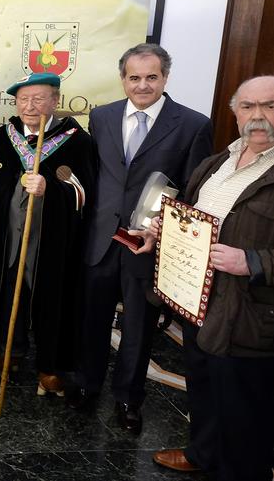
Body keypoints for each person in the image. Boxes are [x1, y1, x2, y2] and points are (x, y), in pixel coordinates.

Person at [66, 44, 213, 434]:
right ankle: (86, 383)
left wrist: (162, 230)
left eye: (151, 77)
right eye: (134, 77)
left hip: (150, 244)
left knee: (139, 326)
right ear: (123, 79)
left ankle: (129, 398)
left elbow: (195, 190)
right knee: (92, 318)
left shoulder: (193, 124)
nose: (142, 85)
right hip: (101, 238)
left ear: (165, 78)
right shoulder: (102, 116)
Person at [149, 76, 274, 481]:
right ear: (235, 112)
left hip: (249, 312)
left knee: (242, 411)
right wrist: (157, 233)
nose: (258, 117)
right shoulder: (218, 161)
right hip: (197, 298)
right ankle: (202, 453)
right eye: (248, 107)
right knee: (203, 386)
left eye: (270, 106)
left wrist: (253, 261)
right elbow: (186, 215)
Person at [0, 73, 96, 395]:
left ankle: (49, 366)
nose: (30, 106)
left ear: (55, 101)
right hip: (6, 236)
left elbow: (86, 192)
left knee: (51, 298)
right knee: (7, 292)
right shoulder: (3, 137)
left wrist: (51, 188)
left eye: (38, 99)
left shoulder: (77, 140)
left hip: (50, 240)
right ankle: (4, 351)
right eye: (23, 99)